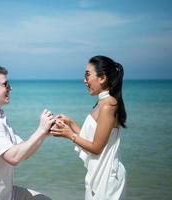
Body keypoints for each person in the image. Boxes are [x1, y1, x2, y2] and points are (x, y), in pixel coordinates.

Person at [0, 66, 54, 200]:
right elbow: (13, 157)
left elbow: (24, 153)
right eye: (5, 84)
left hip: (7, 194)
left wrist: (44, 134)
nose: (10, 88)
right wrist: (40, 129)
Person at [50, 55, 127, 200]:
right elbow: (92, 139)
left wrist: (70, 135)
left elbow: (96, 147)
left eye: (87, 75)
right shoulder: (101, 103)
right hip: (97, 173)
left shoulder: (108, 105)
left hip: (108, 176)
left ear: (102, 78)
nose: (84, 81)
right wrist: (70, 123)